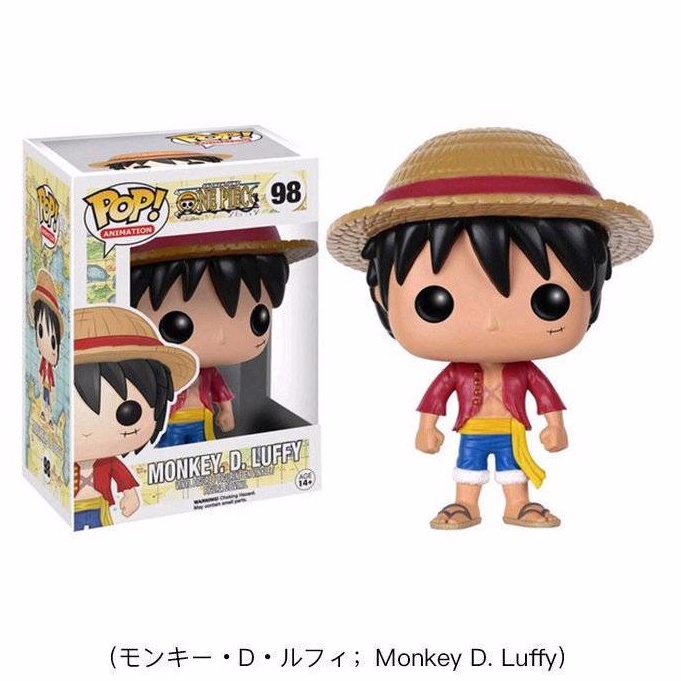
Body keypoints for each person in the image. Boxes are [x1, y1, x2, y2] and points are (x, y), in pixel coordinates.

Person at [327, 128, 652, 529]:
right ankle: (466, 505)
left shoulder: (523, 372)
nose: (491, 322)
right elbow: (436, 399)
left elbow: (546, 398)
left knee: (514, 471)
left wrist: (555, 425)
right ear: (381, 294)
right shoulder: (457, 374)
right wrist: (427, 427)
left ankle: (518, 506)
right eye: (435, 302)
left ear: (595, 287)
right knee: (468, 470)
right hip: (473, 430)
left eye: (549, 300)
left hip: (512, 429)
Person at [73, 305, 197, 530]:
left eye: (128, 413)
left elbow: (125, 481)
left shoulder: (109, 463)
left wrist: (131, 495)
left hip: (100, 507)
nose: (87, 430)